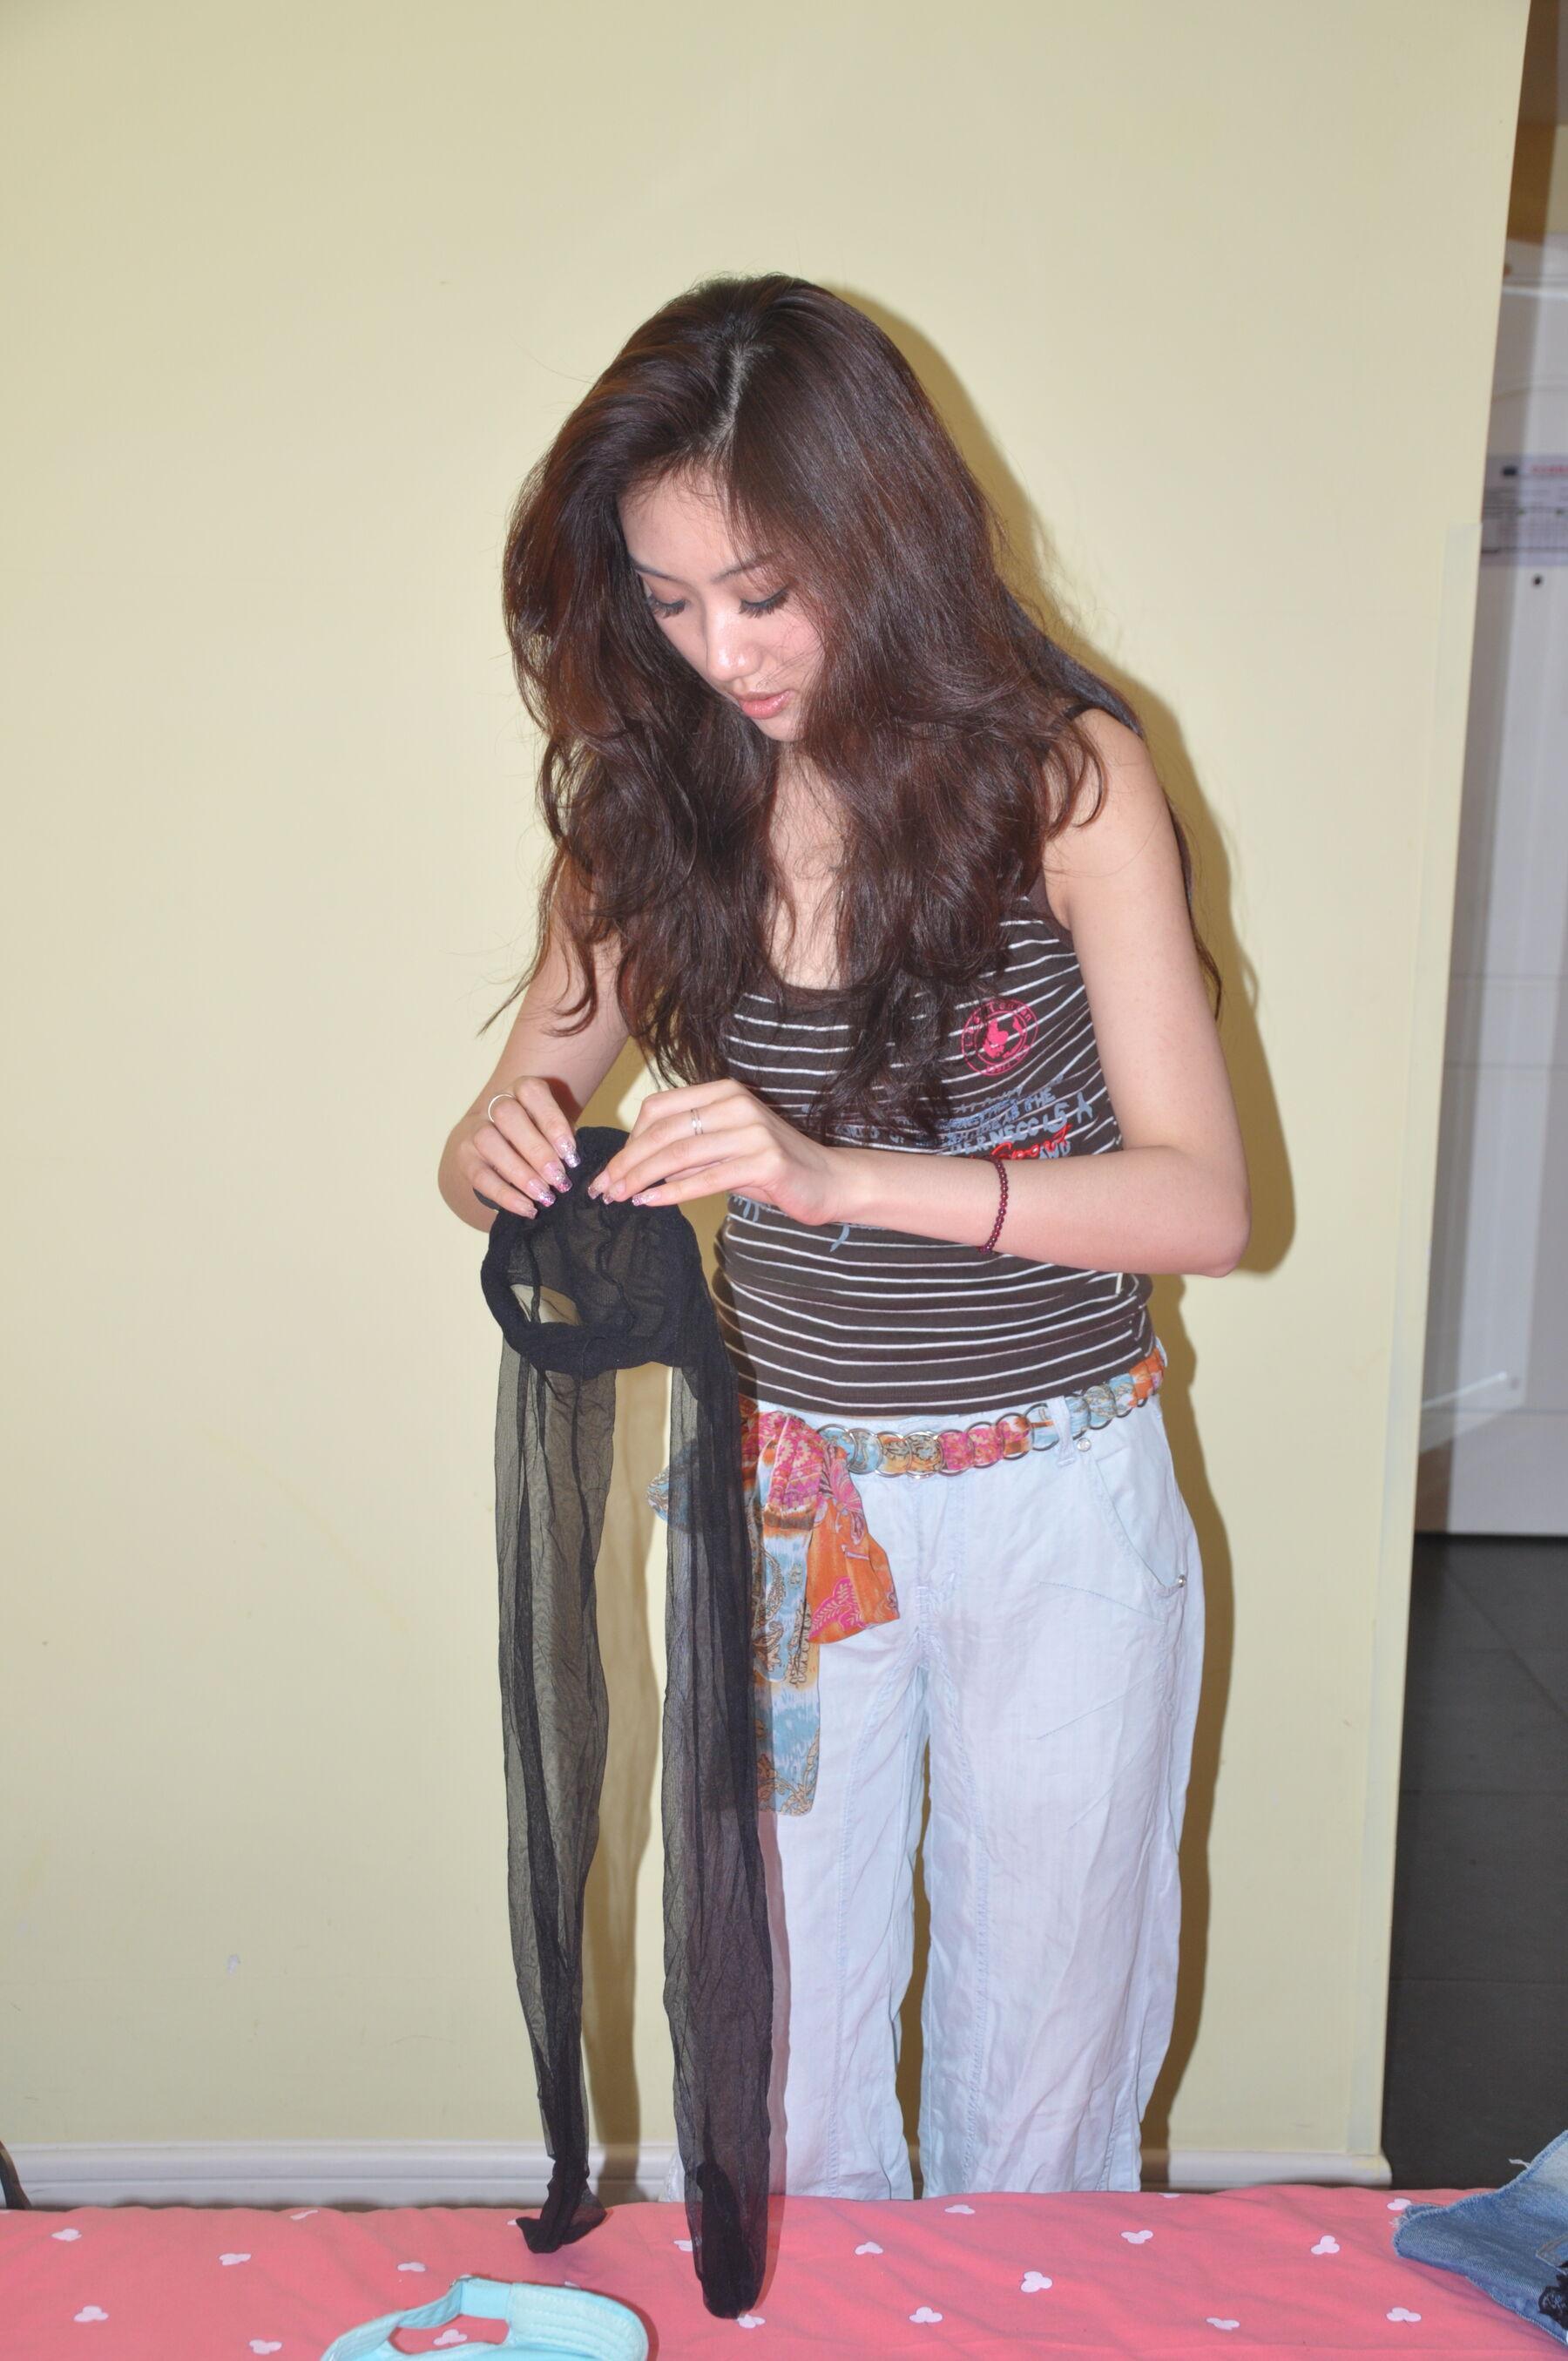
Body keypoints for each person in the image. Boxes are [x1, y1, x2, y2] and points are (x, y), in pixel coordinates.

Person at [437, 274, 1249, 2202]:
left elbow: (1203, 1202)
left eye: (763, 591)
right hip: (790, 1521)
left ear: (879, 537)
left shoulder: (1063, 777)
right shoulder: (646, 810)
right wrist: (489, 1142)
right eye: (667, 599)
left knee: (1043, 2081)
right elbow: (506, 1124)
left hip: (1057, 1509)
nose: (720, 650)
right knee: (778, 2074)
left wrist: (842, 1174)